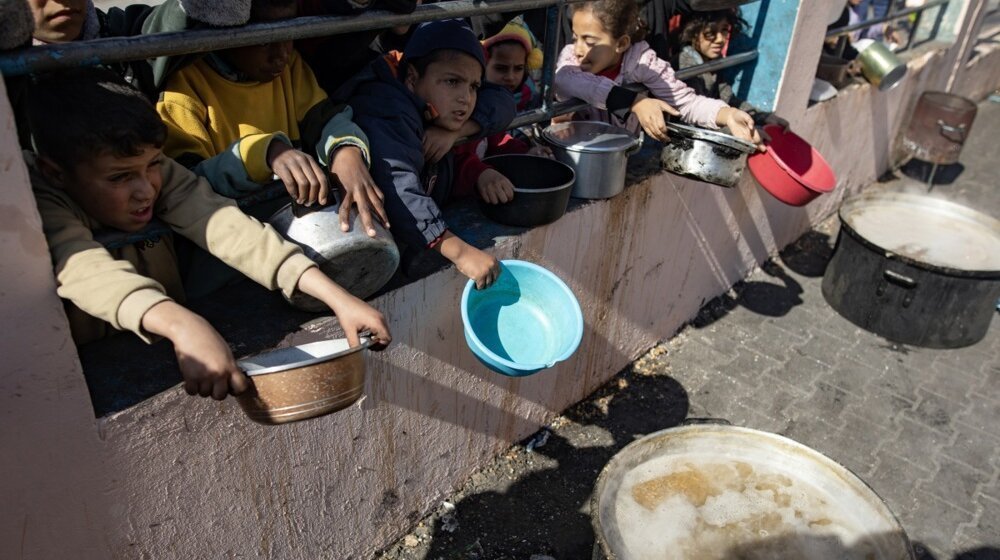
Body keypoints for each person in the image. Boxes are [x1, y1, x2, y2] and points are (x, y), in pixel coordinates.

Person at [24, 67, 391, 400]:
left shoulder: (150, 167)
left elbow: (224, 226)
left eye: (152, 166)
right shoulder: (38, 198)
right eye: (120, 178)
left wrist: (336, 297)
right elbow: (82, 268)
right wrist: (183, 325)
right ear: (55, 172)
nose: (146, 189)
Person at [155, 0, 387, 237]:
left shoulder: (291, 67)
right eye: (264, 40)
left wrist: (345, 149)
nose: (281, 55)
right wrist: (264, 154)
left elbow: (323, 119)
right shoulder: (184, 87)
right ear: (224, 33)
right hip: (232, 235)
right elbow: (186, 184)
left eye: (289, 35)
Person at [337, 19, 517, 289]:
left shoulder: (435, 110)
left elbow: (503, 102)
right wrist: (459, 251)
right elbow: (398, 184)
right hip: (365, 252)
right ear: (411, 78)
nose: (465, 98)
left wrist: (456, 132)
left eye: (473, 87)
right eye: (452, 81)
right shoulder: (387, 107)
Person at [553, 0, 762, 147]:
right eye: (574, 37)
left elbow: (685, 102)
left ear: (622, 43)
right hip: (575, 149)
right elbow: (566, 81)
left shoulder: (642, 61)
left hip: (618, 154)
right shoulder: (570, 59)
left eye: (589, 42)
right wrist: (635, 102)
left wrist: (728, 115)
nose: (579, 49)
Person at [453, 18, 552, 206]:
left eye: (518, 69)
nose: (510, 77)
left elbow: (497, 141)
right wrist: (480, 173)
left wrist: (527, 152)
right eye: (501, 68)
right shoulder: (464, 105)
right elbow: (453, 160)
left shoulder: (529, 96)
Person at [675, 10, 789, 132]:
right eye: (710, 32)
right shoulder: (686, 66)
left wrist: (763, 117)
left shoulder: (713, 62)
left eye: (724, 30)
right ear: (693, 33)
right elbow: (696, 116)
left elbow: (728, 98)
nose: (720, 39)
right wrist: (744, 131)